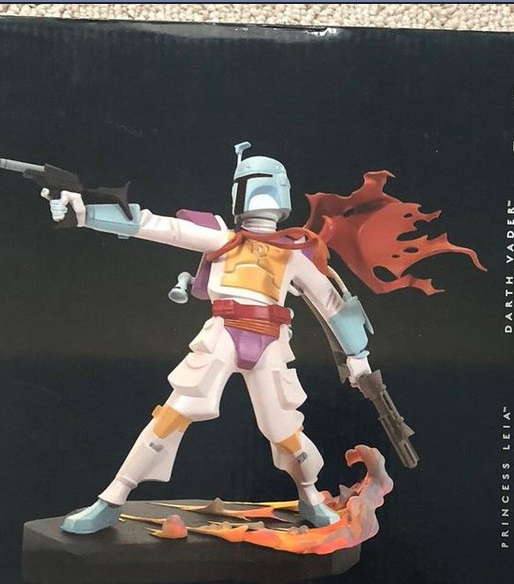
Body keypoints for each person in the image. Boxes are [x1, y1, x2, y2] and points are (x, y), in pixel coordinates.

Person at [44, 142, 373, 534]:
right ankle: (112, 498)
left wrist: (358, 355)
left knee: (283, 428)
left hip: (271, 341)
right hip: (223, 334)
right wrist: (84, 213)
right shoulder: (220, 237)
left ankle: (310, 496)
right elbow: (156, 226)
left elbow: (333, 304)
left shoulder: (295, 253)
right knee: (174, 413)